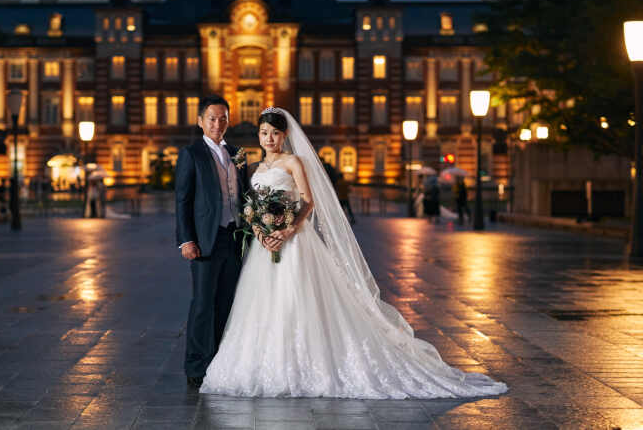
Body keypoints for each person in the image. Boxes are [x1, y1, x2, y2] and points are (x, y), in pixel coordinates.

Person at [200, 107, 507, 398]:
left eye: (275, 134)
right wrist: (259, 230)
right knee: (262, 304)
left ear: (285, 136)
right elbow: (250, 207)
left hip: (294, 242)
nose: (269, 139)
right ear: (259, 135)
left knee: (298, 299)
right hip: (264, 248)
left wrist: (288, 230)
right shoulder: (253, 167)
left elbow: (308, 201)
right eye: (264, 133)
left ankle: (306, 364)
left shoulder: (294, 163)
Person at [175, 95, 249, 389]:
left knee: (226, 304)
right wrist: (186, 240)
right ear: (200, 121)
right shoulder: (191, 154)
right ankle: (196, 365)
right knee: (203, 304)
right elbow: (182, 200)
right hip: (205, 241)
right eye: (212, 118)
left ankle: (218, 362)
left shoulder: (238, 153)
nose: (218, 124)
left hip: (233, 238)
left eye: (223, 118)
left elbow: (243, 196)